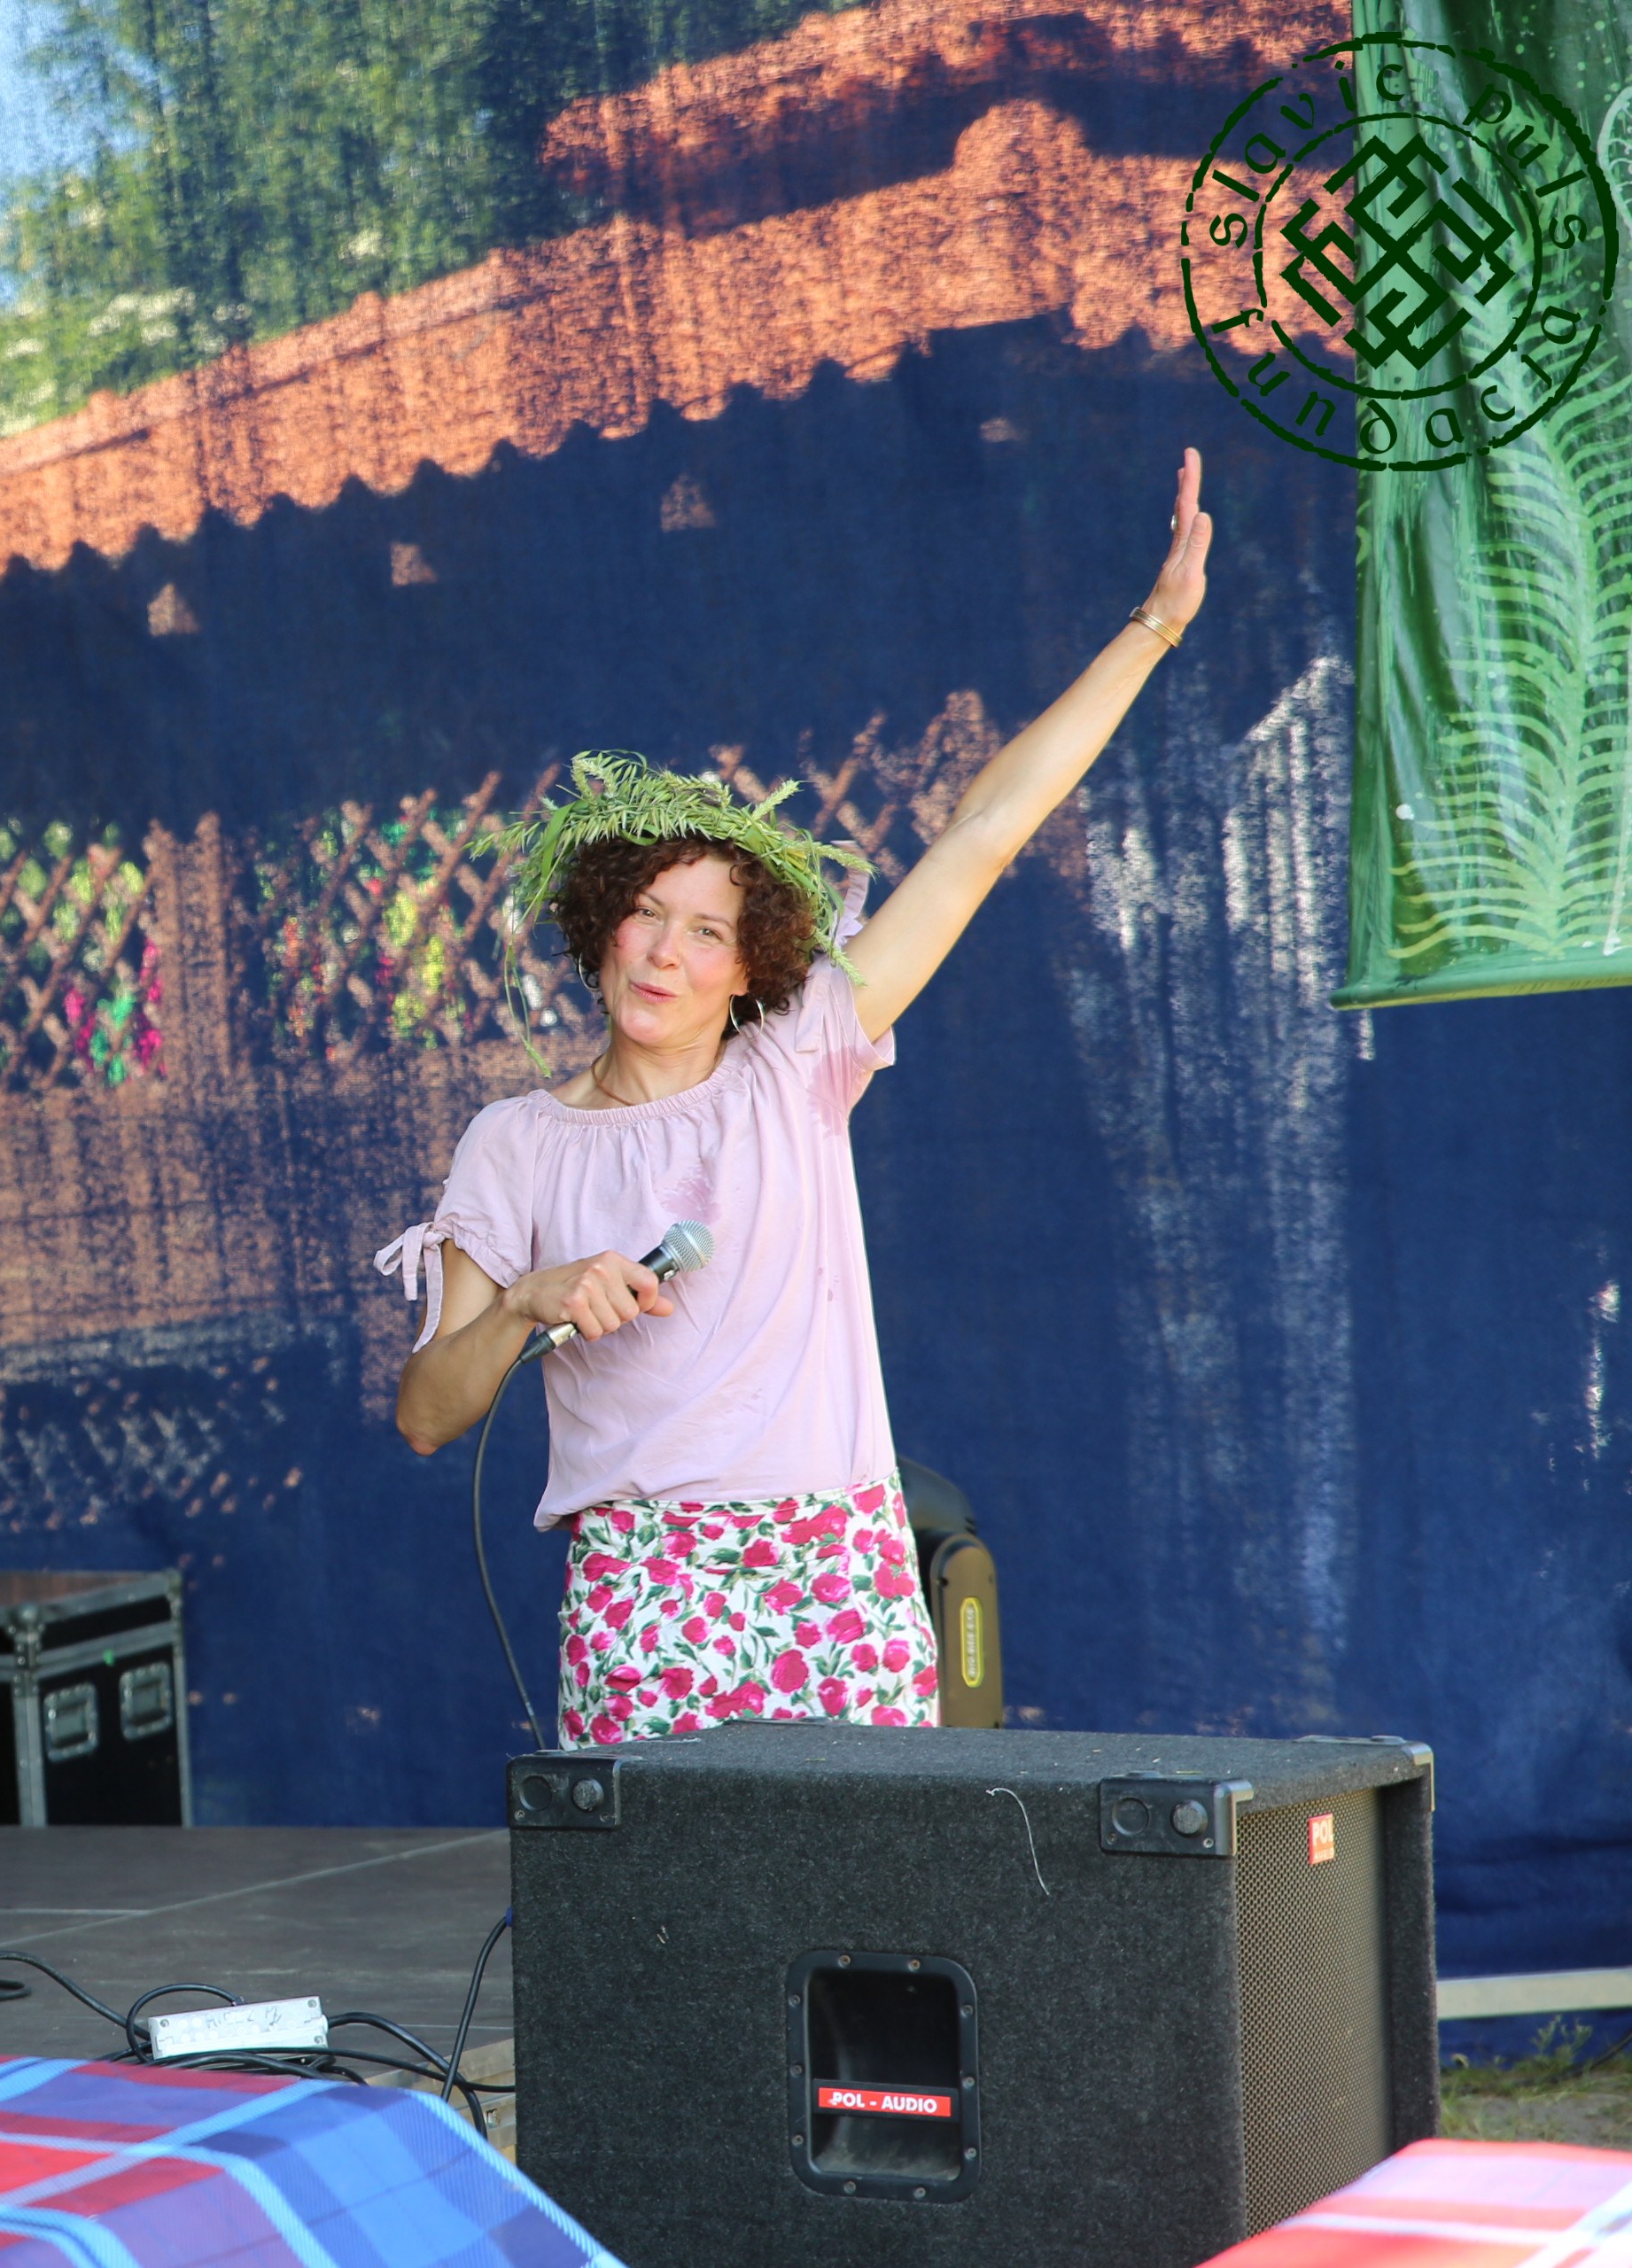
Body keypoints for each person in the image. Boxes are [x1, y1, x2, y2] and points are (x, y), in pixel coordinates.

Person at [382, 451, 1215, 1751]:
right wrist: (533, 1299)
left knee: (866, 1879)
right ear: (599, 931)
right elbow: (428, 1414)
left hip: (837, 1568)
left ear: (749, 965)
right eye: (644, 915)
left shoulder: (797, 1057)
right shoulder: (516, 1143)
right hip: (642, 1587)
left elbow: (985, 831)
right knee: (668, 1884)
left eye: (706, 931)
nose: (665, 952)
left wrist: (1152, 628)